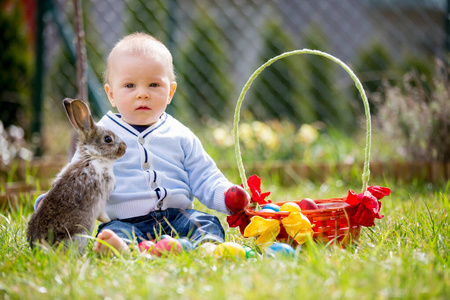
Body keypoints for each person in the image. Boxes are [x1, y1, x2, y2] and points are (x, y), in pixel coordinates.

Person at [34, 32, 235, 255]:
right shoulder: (99, 136)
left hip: (178, 216)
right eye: (130, 85)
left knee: (205, 222)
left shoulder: (181, 135)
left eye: (154, 85)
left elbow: (204, 175)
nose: (142, 94)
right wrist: (51, 203)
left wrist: (228, 196)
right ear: (111, 94)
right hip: (126, 221)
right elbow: (76, 178)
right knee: (114, 231)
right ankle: (122, 248)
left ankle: (207, 247)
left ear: (170, 92)